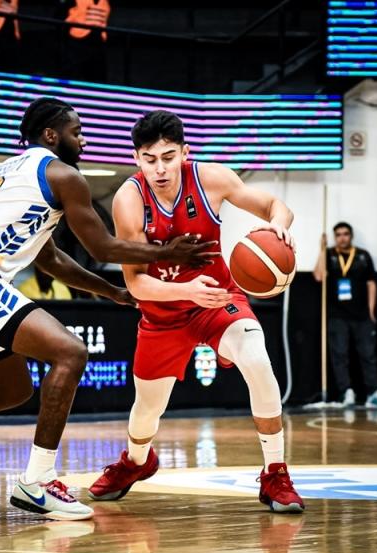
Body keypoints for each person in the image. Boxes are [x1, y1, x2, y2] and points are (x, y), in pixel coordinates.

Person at [0, 97, 217, 522]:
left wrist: (111, 292)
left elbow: (51, 259)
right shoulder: (63, 174)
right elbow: (102, 246)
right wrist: (169, 251)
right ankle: (36, 482)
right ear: (52, 135)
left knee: (13, 388)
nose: (84, 140)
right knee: (70, 353)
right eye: (77, 132)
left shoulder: (13, 170)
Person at [87, 110, 305, 513]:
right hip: (162, 314)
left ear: (184, 152)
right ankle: (137, 462)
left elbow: (275, 204)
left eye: (168, 157)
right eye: (150, 159)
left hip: (219, 300)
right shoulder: (128, 200)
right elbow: (135, 283)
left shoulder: (211, 178)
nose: (160, 168)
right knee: (145, 411)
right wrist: (185, 289)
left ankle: (275, 471)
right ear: (137, 159)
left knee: (258, 360)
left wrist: (280, 226)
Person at [313, 222, 377, 408]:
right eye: (338, 234)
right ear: (335, 237)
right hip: (337, 315)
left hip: (362, 315)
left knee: (368, 354)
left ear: (351, 236)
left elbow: (371, 283)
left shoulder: (363, 256)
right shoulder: (330, 254)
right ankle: (346, 391)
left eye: (346, 234)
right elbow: (318, 276)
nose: (342, 237)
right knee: (340, 354)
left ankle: (373, 392)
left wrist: (371, 310)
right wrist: (322, 249)